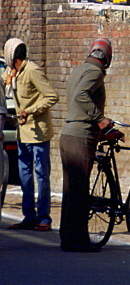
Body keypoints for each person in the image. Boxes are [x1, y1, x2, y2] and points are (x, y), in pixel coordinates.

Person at [59, 38, 113, 252]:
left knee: (70, 190)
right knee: (79, 191)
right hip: (81, 136)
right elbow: (82, 96)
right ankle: (78, 240)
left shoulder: (78, 70)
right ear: (107, 57)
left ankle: (68, 237)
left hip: (68, 135)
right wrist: (99, 118)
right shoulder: (95, 73)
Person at [4, 39, 58, 231]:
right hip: (22, 132)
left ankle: (44, 218)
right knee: (24, 175)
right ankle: (29, 216)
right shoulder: (13, 72)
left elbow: (51, 96)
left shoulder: (32, 71)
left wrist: (30, 110)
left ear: (12, 57)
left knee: (41, 174)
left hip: (38, 132)